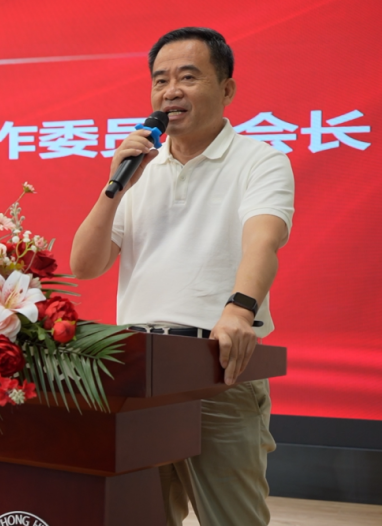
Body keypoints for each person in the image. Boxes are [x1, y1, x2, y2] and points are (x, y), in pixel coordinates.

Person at [70, 27, 295, 525]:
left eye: (188, 77)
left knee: (233, 519)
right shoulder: (140, 170)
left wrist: (239, 309)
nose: (171, 91)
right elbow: (84, 265)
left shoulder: (260, 161)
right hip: (139, 370)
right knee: (139, 517)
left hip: (217, 368)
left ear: (227, 89)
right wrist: (114, 185)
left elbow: (263, 241)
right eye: (160, 80)